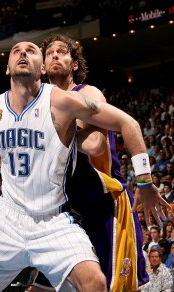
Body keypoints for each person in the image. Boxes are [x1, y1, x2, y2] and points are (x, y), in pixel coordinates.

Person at [0, 41, 169, 292]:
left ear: (41, 69)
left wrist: (144, 180)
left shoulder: (73, 98)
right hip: (10, 217)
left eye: (32, 50)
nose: (23, 52)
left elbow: (105, 139)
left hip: (84, 209)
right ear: (8, 68)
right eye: (16, 51)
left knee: (99, 283)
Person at [28, 34, 167, 292]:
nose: (55, 55)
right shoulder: (39, 107)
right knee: (40, 288)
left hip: (105, 207)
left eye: (62, 51)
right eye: (50, 53)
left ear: (75, 64)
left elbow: (95, 144)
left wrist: (145, 180)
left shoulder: (86, 92)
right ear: (43, 66)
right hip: (67, 214)